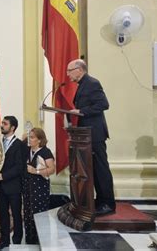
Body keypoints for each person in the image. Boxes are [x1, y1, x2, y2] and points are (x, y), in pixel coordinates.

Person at [66, 59, 116, 216]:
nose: (67, 74)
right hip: (86, 134)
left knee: (100, 169)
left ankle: (107, 203)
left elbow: (103, 104)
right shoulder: (82, 85)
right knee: (92, 169)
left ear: (79, 70)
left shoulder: (92, 83)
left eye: (70, 70)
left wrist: (81, 111)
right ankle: (99, 201)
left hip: (95, 134)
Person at [0, 116, 25, 250]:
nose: (2, 125)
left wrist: (3, 176)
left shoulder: (20, 145)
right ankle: (4, 240)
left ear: (12, 128)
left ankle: (17, 241)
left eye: (5, 124)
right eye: (2, 123)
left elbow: (19, 167)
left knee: (16, 215)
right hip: (0, 187)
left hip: (13, 186)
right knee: (2, 214)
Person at [22, 128, 55, 244]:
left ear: (39, 140)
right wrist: (25, 136)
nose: (29, 140)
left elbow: (51, 170)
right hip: (27, 187)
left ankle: (41, 241)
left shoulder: (46, 152)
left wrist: (36, 171)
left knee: (39, 213)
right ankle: (30, 240)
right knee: (27, 212)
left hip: (40, 187)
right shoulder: (27, 150)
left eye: (32, 137)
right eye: (29, 137)